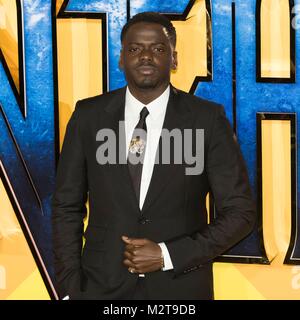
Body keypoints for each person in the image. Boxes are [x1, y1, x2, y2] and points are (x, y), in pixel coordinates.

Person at [52, 11, 256, 300]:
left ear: (174, 60)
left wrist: (166, 255)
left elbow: (240, 213)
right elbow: (65, 206)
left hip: (180, 290)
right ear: (122, 58)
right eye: (135, 49)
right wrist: (70, 287)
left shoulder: (207, 119)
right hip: (99, 288)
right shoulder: (89, 116)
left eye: (158, 49)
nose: (145, 56)